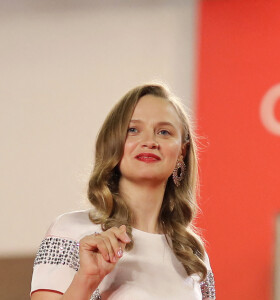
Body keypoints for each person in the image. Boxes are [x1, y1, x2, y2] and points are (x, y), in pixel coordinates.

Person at [30, 83, 216, 300]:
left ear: (181, 153)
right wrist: (87, 279)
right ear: (114, 143)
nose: (149, 142)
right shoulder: (72, 232)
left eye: (164, 132)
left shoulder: (192, 254)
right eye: (133, 130)